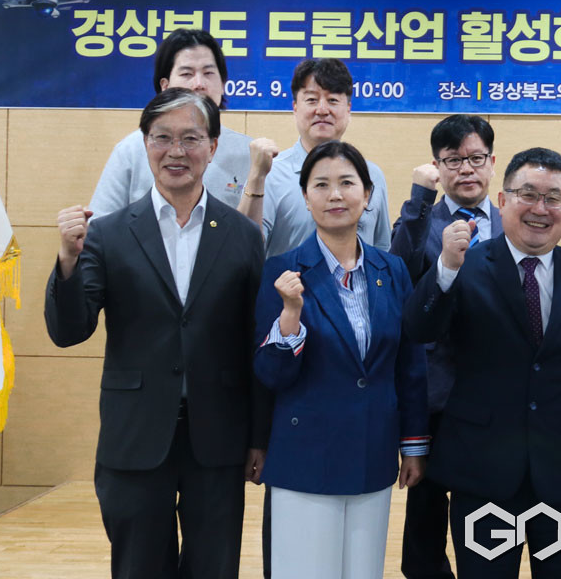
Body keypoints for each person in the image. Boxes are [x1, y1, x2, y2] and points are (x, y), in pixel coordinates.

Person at [45, 88, 269, 579]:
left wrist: (258, 437)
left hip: (219, 435)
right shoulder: (107, 233)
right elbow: (69, 331)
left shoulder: (242, 235)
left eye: (191, 138)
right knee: (138, 567)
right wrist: (67, 260)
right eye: (162, 137)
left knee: (214, 568)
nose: (176, 151)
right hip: (135, 433)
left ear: (212, 147)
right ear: (145, 144)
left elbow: (253, 341)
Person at [403, 148, 561, 579]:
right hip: (482, 471)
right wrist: (444, 268)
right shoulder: (465, 265)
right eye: (528, 194)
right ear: (502, 201)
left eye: (553, 198)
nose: (540, 208)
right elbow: (418, 329)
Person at [254, 140, 429, 579]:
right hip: (305, 458)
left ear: (367, 195)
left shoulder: (392, 270)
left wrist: (412, 445)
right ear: (305, 197)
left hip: (374, 452)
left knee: (363, 571)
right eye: (321, 185)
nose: (335, 195)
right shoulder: (281, 271)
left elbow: (409, 364)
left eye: (347, 183)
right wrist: (290, 315)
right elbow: (270, 375)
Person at [390, 114, 502, 579]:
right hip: (437, 392)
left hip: (496, 393)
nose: (467, 169)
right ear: (437, 166)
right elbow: (398, 271)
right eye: (454, 160)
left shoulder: (513, 220)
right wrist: (419, 199)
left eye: (476, 158)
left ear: (492, 162)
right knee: (426, 516)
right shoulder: (422, 220)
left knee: (488, 513)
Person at [89, 28, 252, 217]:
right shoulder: (130, 150)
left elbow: (258, 230)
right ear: (165, 87)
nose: (199, 84)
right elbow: (100, 225)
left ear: (223, 85)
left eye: (208, 73)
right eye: (187, 74)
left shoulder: (248, 152)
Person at [238, 57, 391, 257]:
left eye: (333, 100)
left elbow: (381, 250)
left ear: (348, 108)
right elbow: (244, 248)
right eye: (311, 100)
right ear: (295, 107)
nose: (322, 110)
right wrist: (256, 178)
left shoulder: (372, 176)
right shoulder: (270, 173)